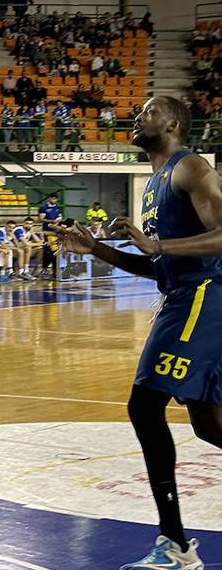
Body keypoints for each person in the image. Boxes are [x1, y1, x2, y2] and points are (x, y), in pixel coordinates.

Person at [59, 96, 222, 570]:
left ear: (171, 122)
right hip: (182, 295)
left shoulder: (189, 167)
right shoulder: (153, 185)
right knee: (209, 425)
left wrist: (158, 244)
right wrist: (99, 251)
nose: (137, 116)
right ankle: (175, 546)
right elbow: (160, 266)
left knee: (144, 404)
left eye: (148, 111)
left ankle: (174, 545)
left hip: (204, 296)